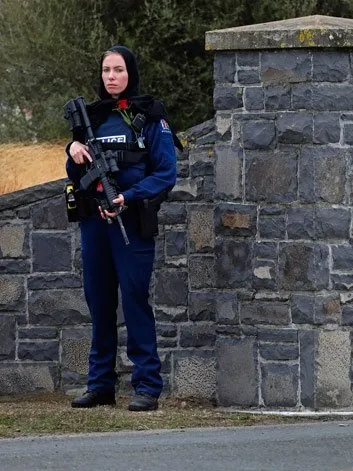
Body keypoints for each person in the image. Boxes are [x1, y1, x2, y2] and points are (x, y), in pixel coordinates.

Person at [66, 45, 178, 411]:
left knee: (134, 302)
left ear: (130, 72)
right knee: (98, 304)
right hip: (94, 224)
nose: (111, 77)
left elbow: (166, 173)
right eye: (106, 70)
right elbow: (76, 176)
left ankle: (146, 386)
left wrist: (128, 197)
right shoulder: (92, 119)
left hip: (130, 221)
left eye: (118, 70)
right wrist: (73, 152)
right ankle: (100, 385)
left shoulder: (149, 115)